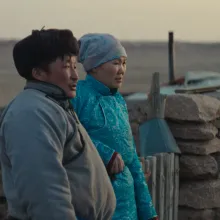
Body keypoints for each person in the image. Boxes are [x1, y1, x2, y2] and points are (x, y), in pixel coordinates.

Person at [0, 29, 116, 220]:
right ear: (38, 73)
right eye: (66, 67)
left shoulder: (53, 104)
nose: (75, 76)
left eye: (74, 66)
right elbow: (44, 191)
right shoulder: (32, 113)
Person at [71, 33, 158, 220]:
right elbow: (68, 135)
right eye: (116, 62)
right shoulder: (78, 95)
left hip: (127, 205)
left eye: (124, 63)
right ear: (94, 66)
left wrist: (148, 212)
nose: (122, 70)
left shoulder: (118, 101)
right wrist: (105, 154)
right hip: (95, 200)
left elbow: (132, 158)